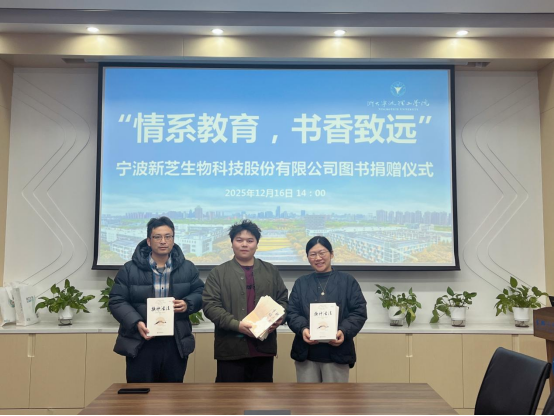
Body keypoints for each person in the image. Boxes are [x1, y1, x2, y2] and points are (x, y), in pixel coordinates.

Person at [109, 216, 205, 383]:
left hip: (175, 341)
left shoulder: (187, 268)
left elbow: (201, 292)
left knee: (172, 394)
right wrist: (136, 322)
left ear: (173, 239)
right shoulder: (129, 269)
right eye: (157, 237)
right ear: (148, 241)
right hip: (141, 340)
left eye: (168, 236)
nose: (163, 241)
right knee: (140, 393)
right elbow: (117, 300)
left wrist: (187, 303)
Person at [202, 220, 289, 383]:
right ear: (232, 243)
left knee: (262, 397)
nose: (244, 244)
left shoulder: (270, 271)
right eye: (239, 240)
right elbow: (210, 306)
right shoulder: (218, 273)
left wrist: (279, 318)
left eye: (250, 240)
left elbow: (283, 300)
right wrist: (236, 325)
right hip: (230, 349)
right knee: (230, 397)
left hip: (263, 349)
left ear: (257, 244)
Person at [286, 236, 367, 383]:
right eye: (313, 254)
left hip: (338, 353)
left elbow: (359, 311)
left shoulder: (347, 281)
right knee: (307, 396)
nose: (318, 258)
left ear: (332, 254)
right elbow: (292, 312)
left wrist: (343, 331)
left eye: (322, 253)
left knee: (335, 397)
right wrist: (303, 329)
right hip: (306, 354)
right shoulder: (301, 283)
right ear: (307, 257)